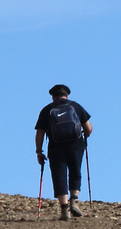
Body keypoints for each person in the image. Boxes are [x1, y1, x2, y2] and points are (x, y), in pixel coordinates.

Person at [34, 84, 93, 220]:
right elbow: (88, 128)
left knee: (59, 175)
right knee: (75, 171)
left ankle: (64, 209)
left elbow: (40, 133)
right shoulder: (75, 106)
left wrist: (39, 151)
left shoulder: (47, 110)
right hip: (75, 145)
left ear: (53, 96)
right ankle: (74, 201)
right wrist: (84, 135)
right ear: (67, 95)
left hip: (55, 147)